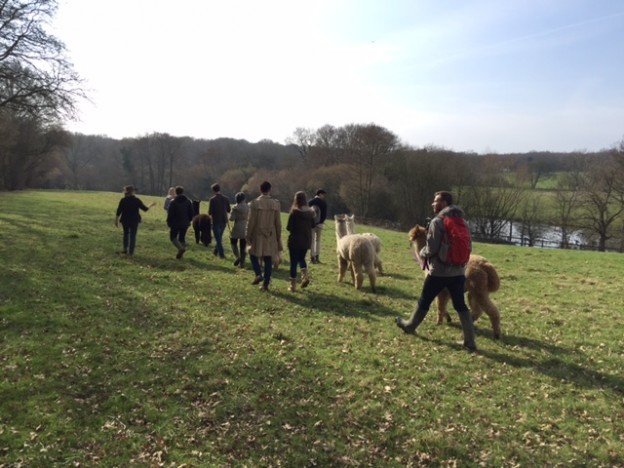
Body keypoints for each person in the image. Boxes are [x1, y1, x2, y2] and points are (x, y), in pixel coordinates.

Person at [395, 191, 477, 351]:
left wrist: (422, 253)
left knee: (425, 299)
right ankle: (470, 341)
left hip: (440, 271)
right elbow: (469, 247)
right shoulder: (463, 222)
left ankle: (410, 325)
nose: (433, 203)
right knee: (460, 304)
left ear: (445, 203)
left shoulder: (437, 222)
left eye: (436, 201)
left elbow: (431, 248)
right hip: (459, 272)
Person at [246, 181, 282, 291]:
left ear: (260, 190)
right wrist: (278, 237)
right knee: (268, 259)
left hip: (257, 234)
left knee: (252, 254)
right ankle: (265, 284)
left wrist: (248, 235)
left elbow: (251, 221)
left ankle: (258, 274)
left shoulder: (255, 203)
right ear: (270, 189)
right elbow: (278, 223)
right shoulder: (275, 204)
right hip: (270, 235)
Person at [286, 191, 316, 292]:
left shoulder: (294, 213)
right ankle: (305, 276)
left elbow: (289, 227)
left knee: (293, 263)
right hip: (306, 240)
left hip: (295, 240)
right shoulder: (311, 213)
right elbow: (313, 225)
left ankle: (293, 286)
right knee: (301, 259)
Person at [115, 185, 156, 256]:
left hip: (125, 219)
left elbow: (119, 211)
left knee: (126, 234)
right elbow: (145, 209)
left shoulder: (123, 200)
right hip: (134, 220)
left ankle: (125, 249)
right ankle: (131, 252)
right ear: (133, 192)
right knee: (133, 236)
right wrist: (151, 205)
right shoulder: (136, 200)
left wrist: (116, 220)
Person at [167, 186, 195, 259]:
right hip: (185, 223)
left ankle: (180, 248)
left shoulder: (173, 202)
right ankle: (181, 255)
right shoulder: (188, 201)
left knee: (173, 237)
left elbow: (170, 213)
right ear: (183, 192)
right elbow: (192, 213)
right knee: (182, 238)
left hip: (175, 223)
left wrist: (169, 221)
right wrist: (188, 220)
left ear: (176, 192)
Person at [208, 183, 231, 259]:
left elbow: (210, 212)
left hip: (216, 221)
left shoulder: (212, 200)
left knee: (218, 239)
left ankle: (221, 254)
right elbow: (228, 209)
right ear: (219, 189)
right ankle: (215, 251)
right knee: (219, 238)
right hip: (224, 220)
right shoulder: (226, 198)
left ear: (213, 191)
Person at [229, 192, 250, 268]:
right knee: (243, 246)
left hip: (237, 227)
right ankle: (242, 263)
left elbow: (231, 219)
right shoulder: (248, 207)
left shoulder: (235, 208)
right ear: (244, 199)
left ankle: (238, 257)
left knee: (233, 242)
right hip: (246, 228)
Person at [308, 189, 327, 264]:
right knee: (318, 240)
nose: (324, 196)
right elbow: (324, 215)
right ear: (319, 194)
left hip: (311, 224)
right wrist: (320, 221)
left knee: (312, 240)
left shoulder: (310, 202)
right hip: (320, 224)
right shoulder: (324, 203)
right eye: (323, 194)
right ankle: (317, 257)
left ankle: (312, 257)